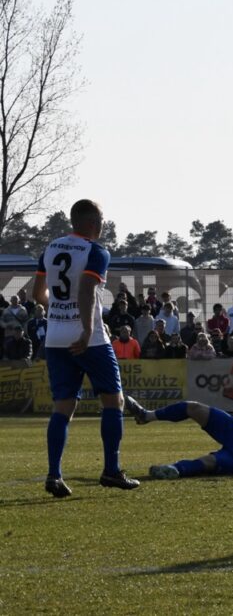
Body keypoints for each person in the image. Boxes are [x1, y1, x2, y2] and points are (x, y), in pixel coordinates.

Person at [32, 199, 140, 497]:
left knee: (63, 407)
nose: (103, 225)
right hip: (89, 340)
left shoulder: (50, 249)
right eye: (102, 220)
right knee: (113, 401)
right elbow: (87, 289)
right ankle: (111, 470)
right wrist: (89, 328)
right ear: (94, 223)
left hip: (55, 338)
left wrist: (60, 312)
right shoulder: (96, 251)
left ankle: (54, 475)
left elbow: (37, 294)